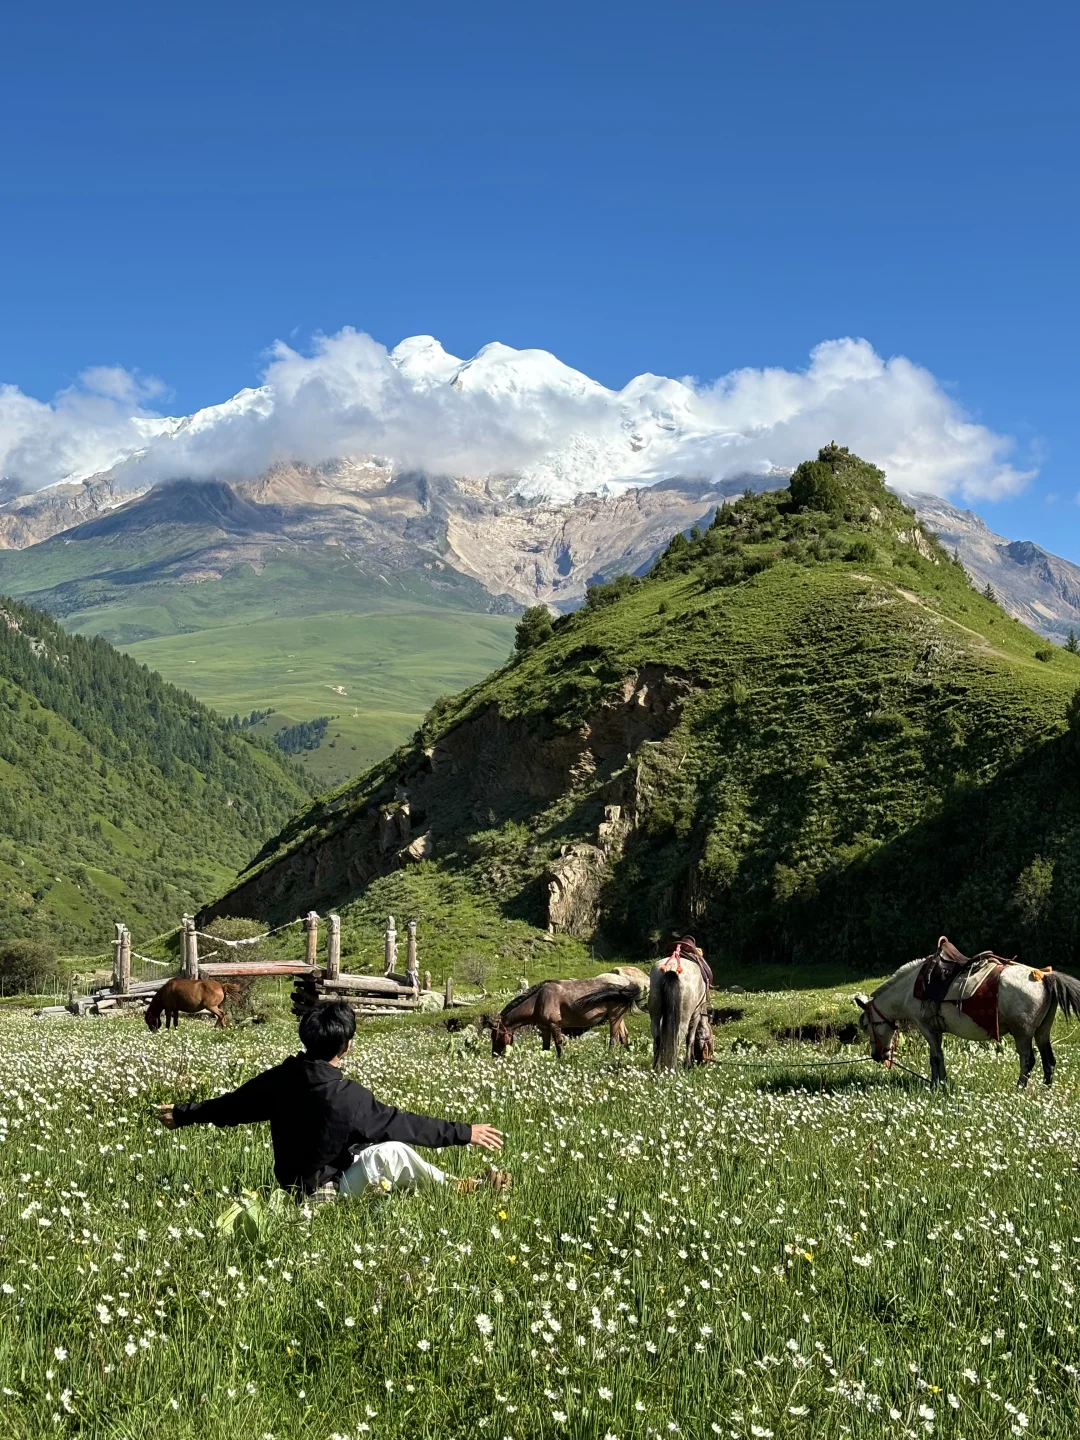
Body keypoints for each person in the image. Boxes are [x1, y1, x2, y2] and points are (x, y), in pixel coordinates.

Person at [157, 1000, 506, 1200]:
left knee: (379, 1146)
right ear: (347, 1045)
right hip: (324, 1191)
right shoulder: (347, 1096)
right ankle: (461, 1188)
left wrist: (184, 1114)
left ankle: (454, 1186)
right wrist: (465, 1132)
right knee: (392, 1150)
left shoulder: (281, 1079)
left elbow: (232, 1106)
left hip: (290, 1185)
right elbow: (405, 1124)